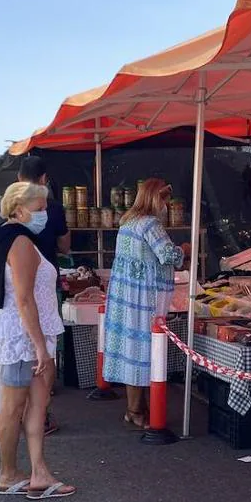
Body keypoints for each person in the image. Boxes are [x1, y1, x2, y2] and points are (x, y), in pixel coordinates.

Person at [0, 182, 74, 499]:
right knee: (14, 406)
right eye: (40, 208)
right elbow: (24, 299)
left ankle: (39, 472)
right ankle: (7, 473)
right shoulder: (18, 242)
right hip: (22, 337)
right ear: (18, 209)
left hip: (25, 334)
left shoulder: (6, 238)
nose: (45, 214)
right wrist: (41, 348)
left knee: (36, 405)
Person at [102, 178, 189, 428]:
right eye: (165, 200)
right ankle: (139, 411)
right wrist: (183, 248)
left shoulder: (127, 222)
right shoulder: (151, 224)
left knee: (131, 352)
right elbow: (167, 254)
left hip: (124, 295)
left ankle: (134, 408)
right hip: (144, 298)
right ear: (156, 199)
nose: (167, 205)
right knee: (144, 351)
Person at [16, 156, 70, 267]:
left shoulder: (6, 207)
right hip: (47, 273)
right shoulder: (54, 208)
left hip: (15, 274)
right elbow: (64, 247)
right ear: (43, 179)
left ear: (19, 177)